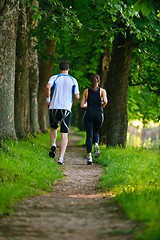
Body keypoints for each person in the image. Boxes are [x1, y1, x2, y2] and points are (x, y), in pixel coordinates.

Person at [45, 61, 80, 165]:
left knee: (53, 127)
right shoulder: (73, 80)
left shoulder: (54, 77)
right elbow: (77, 96)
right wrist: (72, 104)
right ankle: (61, 158)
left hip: (54, 107)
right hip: (66, 108)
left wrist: (48, 100)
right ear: (68, 69)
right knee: (64, 134)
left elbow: (47, 87)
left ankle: (53, 144)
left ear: (59, 68)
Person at [80, 74, 107, 165]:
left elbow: (82, 105)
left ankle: (89, 157)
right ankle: (96, 144)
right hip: (99, 114)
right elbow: (105, 101)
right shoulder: (102, 91)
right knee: (96, 132)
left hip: (89, 114)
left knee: (89, 135)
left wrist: (87, 105)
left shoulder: (86, 91)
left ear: (90, 81)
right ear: (98, 81)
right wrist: (102, 105)